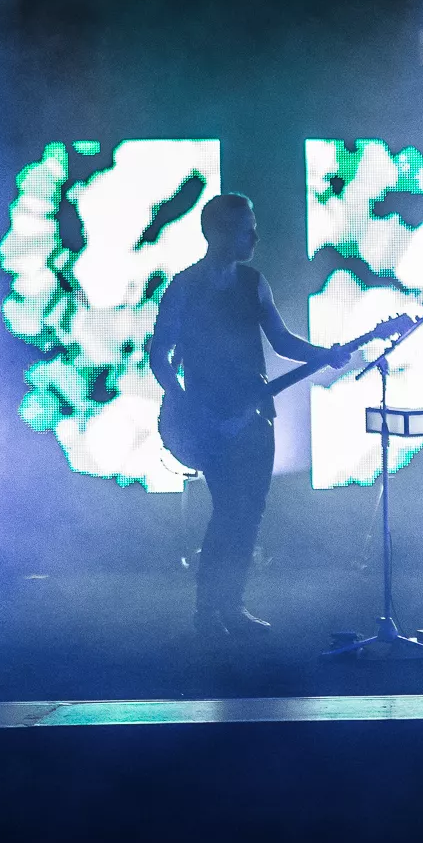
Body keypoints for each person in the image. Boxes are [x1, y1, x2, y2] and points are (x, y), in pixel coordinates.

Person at [149, 194, 348, 638]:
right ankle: (208, 610)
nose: (255, 236)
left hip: (256, 414)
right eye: (245, 228)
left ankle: (231, 606)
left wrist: (324, 354)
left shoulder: (254, 282)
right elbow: (158, 356)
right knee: (227, 510)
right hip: (210, 417)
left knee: (250, 511)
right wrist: (186, 403)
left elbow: (281, 342)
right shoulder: (184, 287)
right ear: (216, 233)